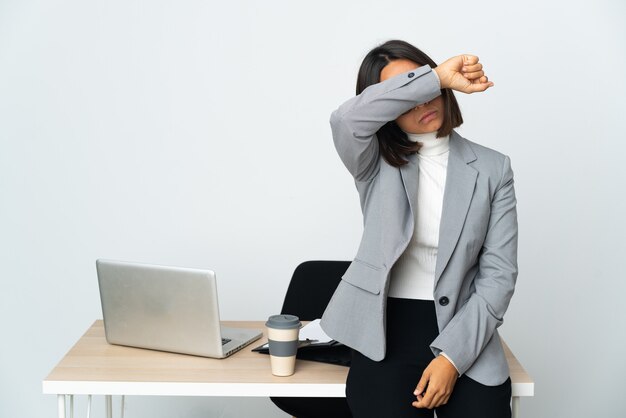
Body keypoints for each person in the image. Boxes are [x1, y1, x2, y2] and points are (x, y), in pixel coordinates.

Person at [320, 39, 518, 418]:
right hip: (383, 331)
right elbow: (344, 119)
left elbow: (499, 277)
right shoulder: (372, 161)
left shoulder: (494, 168)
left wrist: (452, 358)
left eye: (429, 91)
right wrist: (434, 77)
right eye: (406, 93)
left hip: (465, 328)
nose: (422, 104)